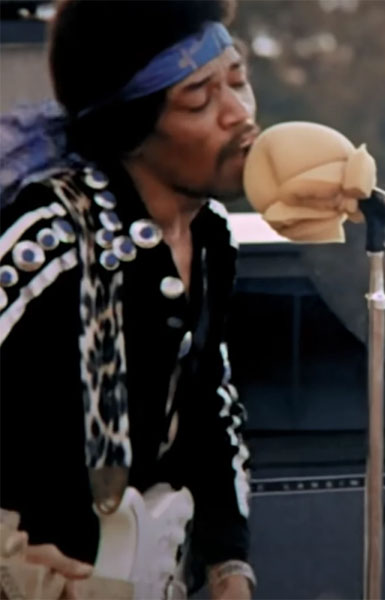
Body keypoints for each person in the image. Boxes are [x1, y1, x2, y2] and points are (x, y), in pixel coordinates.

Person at [0, 0, 259, 598]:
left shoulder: (211, 238)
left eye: (239, 80)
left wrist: (228, 561)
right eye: (198, 100)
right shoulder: (46, 238)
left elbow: (209, 409)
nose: (239, 113)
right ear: (131, 126)